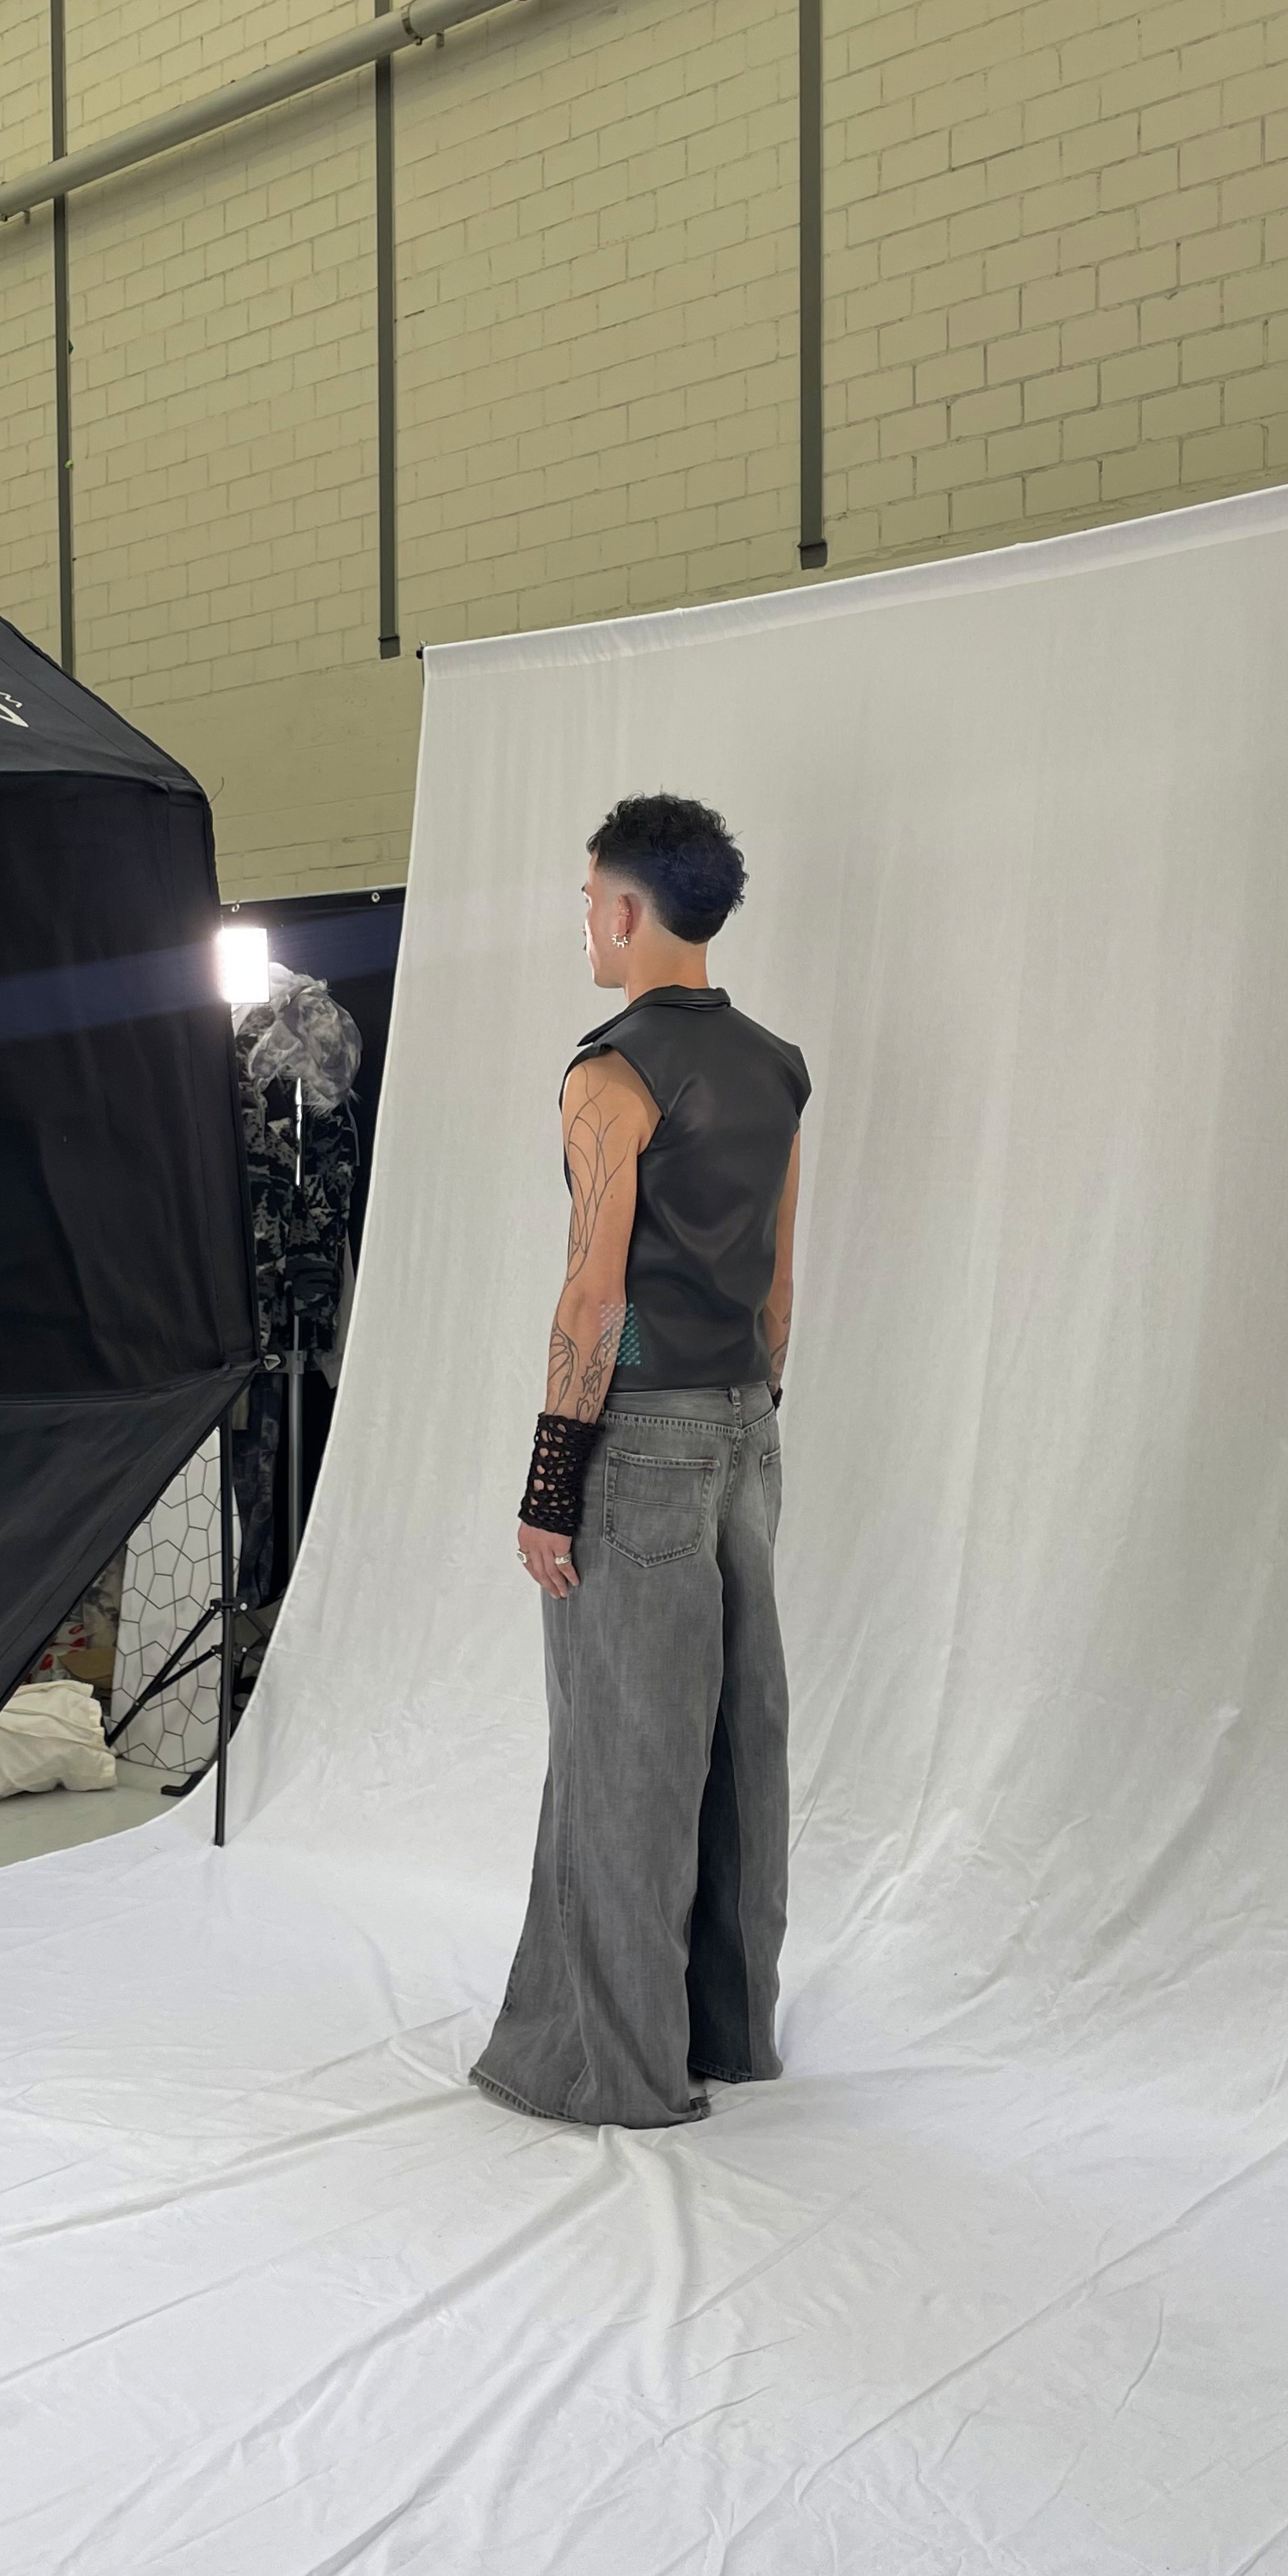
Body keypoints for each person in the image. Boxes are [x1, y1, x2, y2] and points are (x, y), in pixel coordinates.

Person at [473, 794, 808, 2130]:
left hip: (642, 1437)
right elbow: (778, 1284)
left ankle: (613, 2067)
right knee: (735, 1738)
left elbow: (593, 1294)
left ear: (625, 909)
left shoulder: (607, 1072)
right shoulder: (777, 1066)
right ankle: (726, 2034)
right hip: (745, 1428)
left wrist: (552, 1483)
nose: (586, 927)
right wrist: (751, 1415)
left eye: (587, 904)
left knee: (624, 1748)